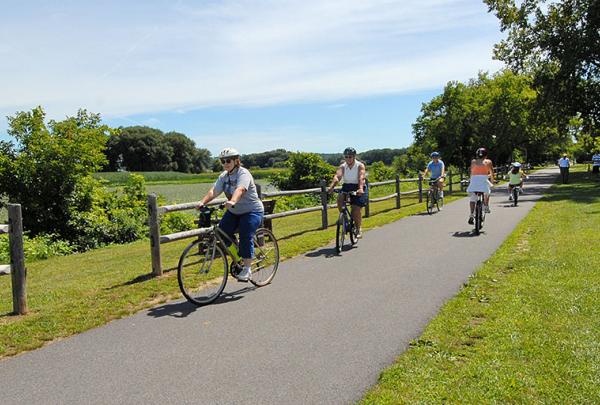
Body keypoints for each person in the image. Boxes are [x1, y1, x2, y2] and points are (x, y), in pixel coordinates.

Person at [198, 148, 264, 282]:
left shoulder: (243, 173)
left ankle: (247, 269)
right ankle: (239, 258)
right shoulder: (224, 176)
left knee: (246, 234)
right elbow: (214, 191)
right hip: (234, 211)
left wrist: (233, 200)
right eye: (223, 161)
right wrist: (202, 202)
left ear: (236, 161)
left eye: (228, 160)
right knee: (222, 233)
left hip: (252, 210)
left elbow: (240, 189)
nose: (225, 163)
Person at [328, 147, 368, 238]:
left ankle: (358, 229)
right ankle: (344, 220)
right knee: (339, 199)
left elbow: (361, 177)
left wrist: (360, 188)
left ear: (354, 157)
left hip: (358, 186)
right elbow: (337, 176)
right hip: (346, 186)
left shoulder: (360, 165)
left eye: (350, 156)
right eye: (346, 157)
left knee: (355, 209)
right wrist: (331, 187)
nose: (348, 158)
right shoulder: (343, 166)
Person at [467, 147, 495, 224]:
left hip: (474, 181)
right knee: (487, 192)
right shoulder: (488, 162)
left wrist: (470, 180)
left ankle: (472, 215)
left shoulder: (473, 162)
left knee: (473, 199)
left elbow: (471, 172)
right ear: (485, 155)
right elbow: (492, 173)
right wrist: (492, 181)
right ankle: (486, 206)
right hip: (483, 181)